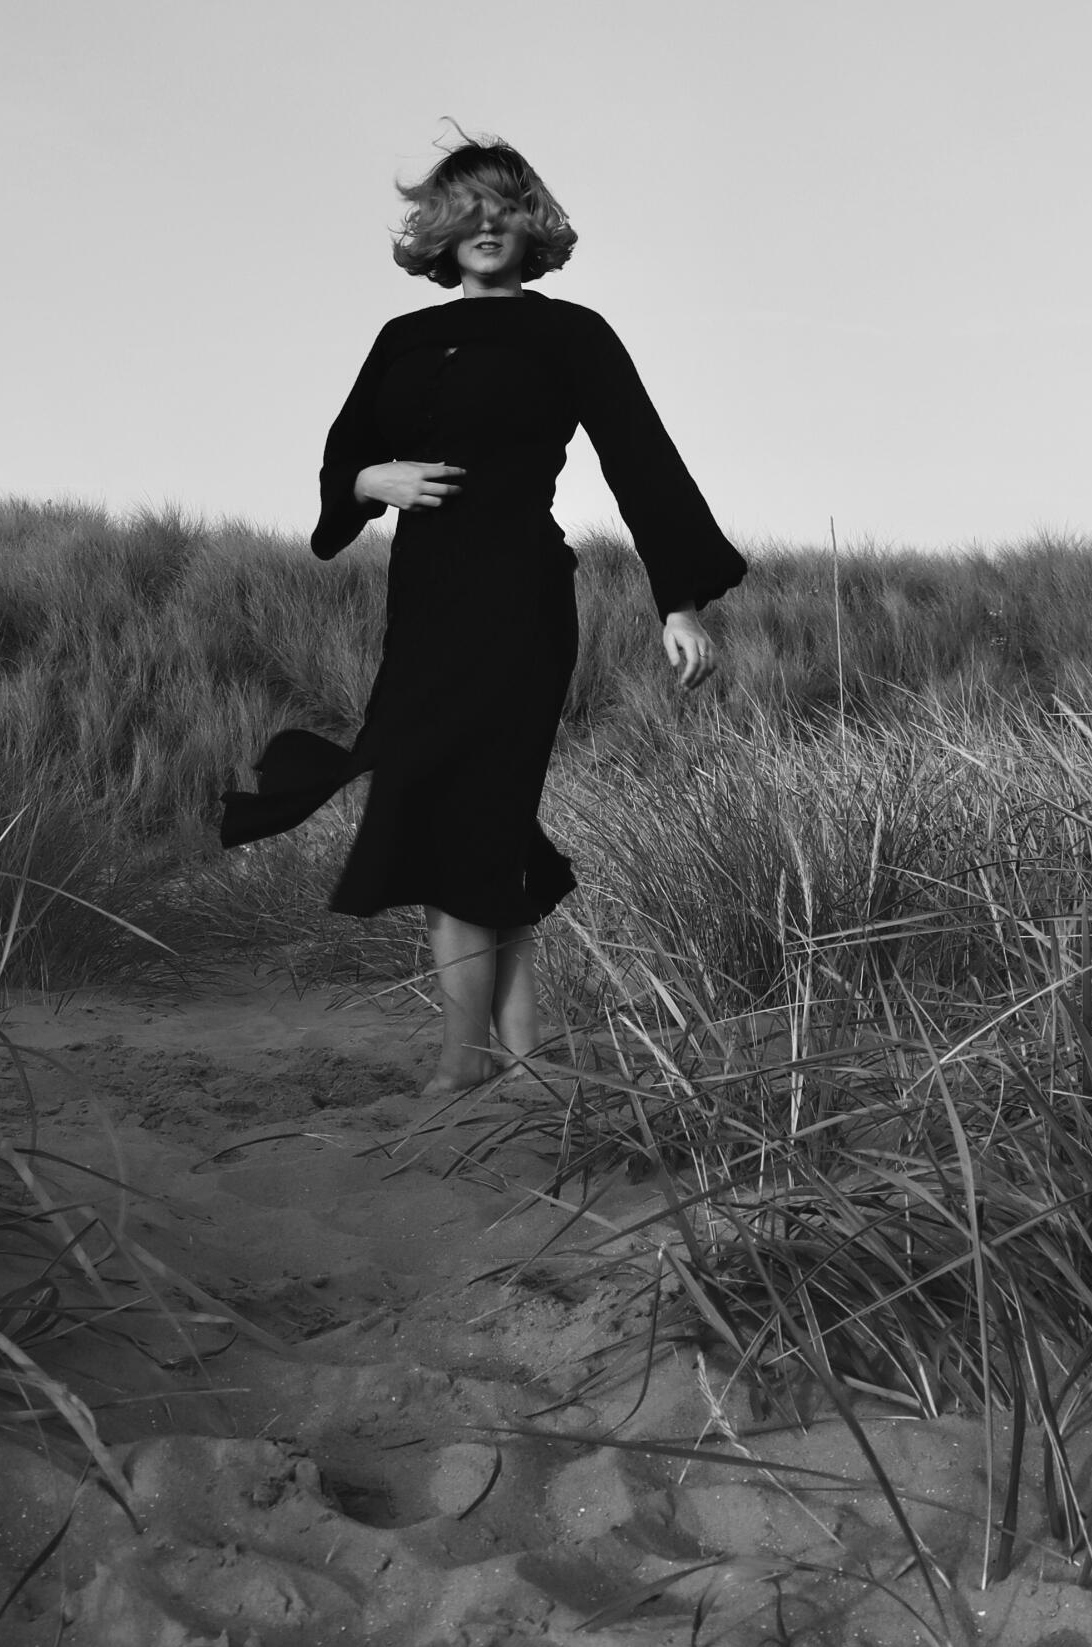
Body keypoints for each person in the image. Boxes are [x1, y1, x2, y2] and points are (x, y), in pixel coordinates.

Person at [221, 135, 747, 1095]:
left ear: (531, 222)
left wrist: (679, 603)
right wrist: (370, 481)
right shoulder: (401, 338)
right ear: (440, 229)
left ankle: (461, 1060)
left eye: (507, 204)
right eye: (468, 207)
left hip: (518, 599)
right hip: (422, 604)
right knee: (472, 818)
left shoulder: (572, 334)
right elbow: (344, 456)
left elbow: (641, 460)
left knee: (460, 811)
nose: (489, 222)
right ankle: (522, 1050)